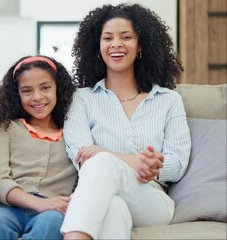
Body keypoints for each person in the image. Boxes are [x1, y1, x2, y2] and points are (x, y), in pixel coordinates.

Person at [60, 3, 191, 239]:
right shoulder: (82, 99)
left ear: (140, 46)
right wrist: (136, 161)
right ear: (98, 47)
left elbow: (177, 165)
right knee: (114, 208)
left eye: (126, 37)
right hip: (101, 195)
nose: (116, 44)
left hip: (151, 199)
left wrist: (107, 155)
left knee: (101, 162)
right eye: (107, 38)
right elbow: (81, 157)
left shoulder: (169, 100)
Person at [0, 55, 78, 240]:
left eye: (45, 88)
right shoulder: (6, 128)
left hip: (52, 209)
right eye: (27, 91)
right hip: (5, 207)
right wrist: (38, 203)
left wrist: (48, 205)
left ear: (58, 89)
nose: (37, 97)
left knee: (52, 224)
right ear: (17, 94)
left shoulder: (74, 132)